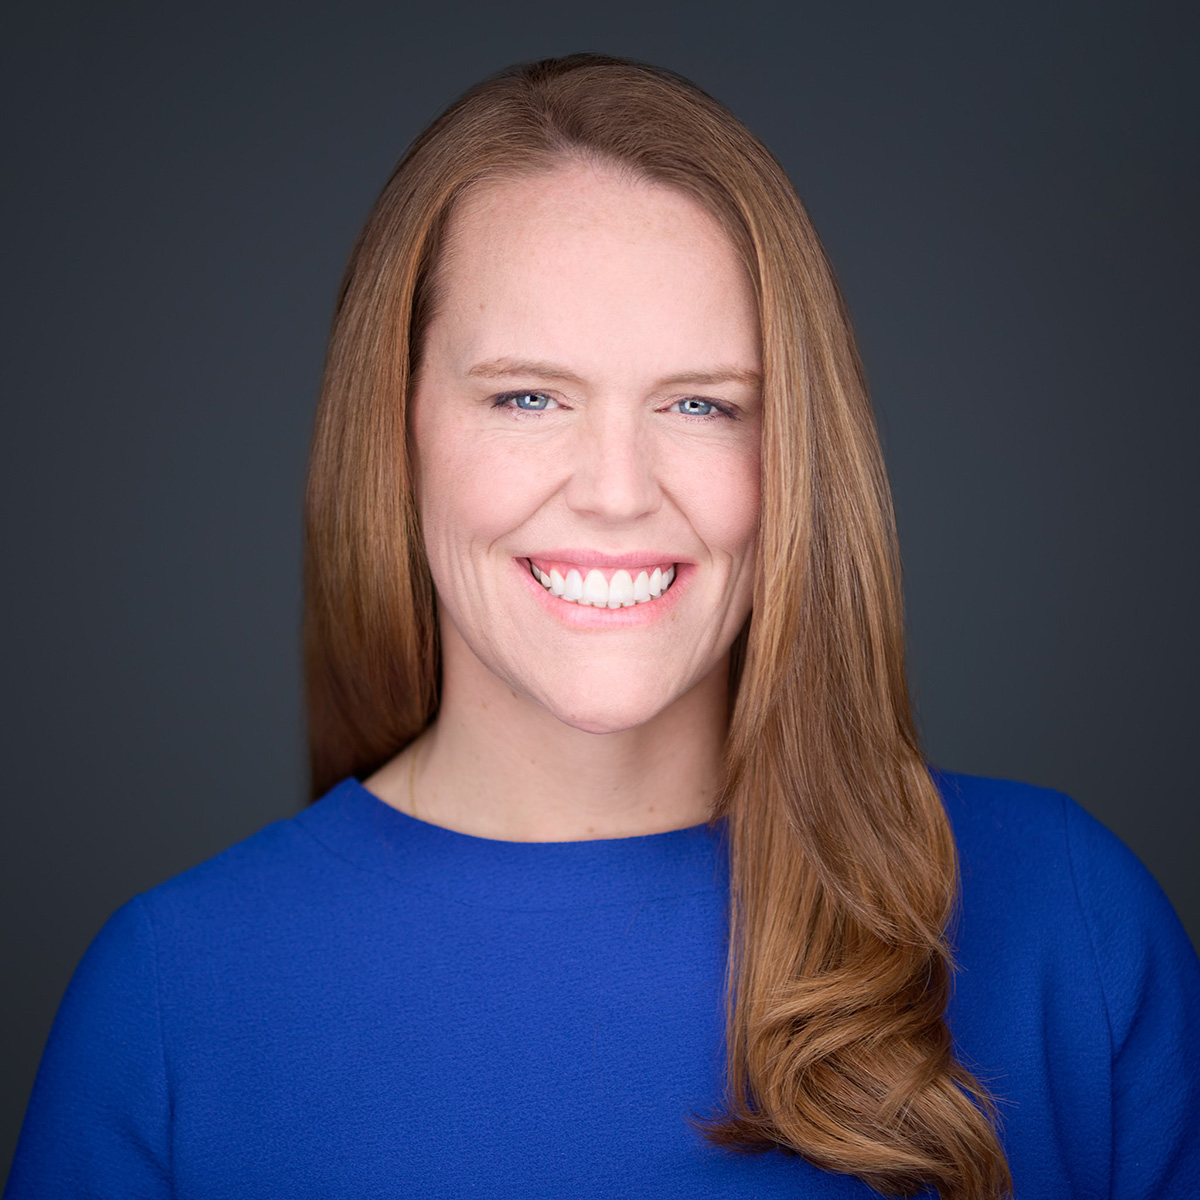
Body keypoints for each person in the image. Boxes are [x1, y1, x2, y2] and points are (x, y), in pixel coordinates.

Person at [5, 53, 1198, 1200]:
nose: (617, 490)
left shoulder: (1067, 924)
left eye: (701, 403)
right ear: (397, 427)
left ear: (795, 458)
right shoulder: (173, 1002)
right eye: (528, 396)